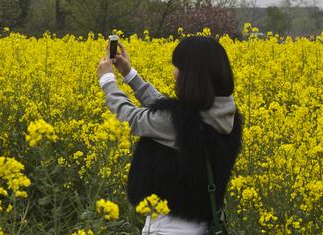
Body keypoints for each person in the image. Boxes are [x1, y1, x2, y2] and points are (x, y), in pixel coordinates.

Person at [96, 36, 243, 234]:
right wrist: (129, 75)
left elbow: (131, 118)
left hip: (169, 228)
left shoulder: (181, 123)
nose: (175, 73)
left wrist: (107, 81)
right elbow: (170, 113)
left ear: (192, 75)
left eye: (178, 67)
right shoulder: (223, 114)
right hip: (200, 225)